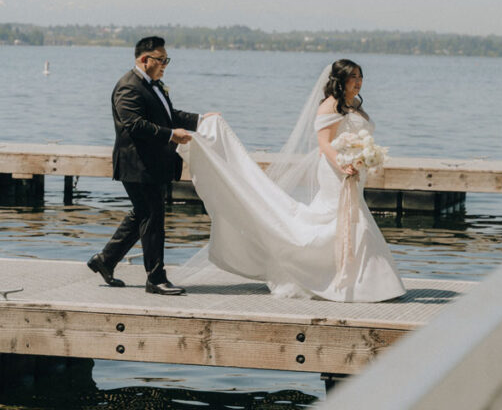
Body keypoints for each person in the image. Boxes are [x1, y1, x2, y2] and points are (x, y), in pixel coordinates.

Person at [179, 59, 405, 303]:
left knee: (347, 218)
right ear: (339, 80)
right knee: (344, 218)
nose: (358, 82)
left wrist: (364, 157)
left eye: (361, 77)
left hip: (353, 171)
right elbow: (324, 144)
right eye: (353, 77)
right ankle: (352, 282)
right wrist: (343, 164)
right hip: (336, 171)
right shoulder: (330, 106)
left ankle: (351, 278)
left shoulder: (355, 105)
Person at [87, 36, 213, 295]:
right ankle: (156, 278)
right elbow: (134, 124)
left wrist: (201, 120)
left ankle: (106, 260)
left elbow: (169, 114)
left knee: (142, 214)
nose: (165, 64)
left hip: (151, 165)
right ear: (145, 60)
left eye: (167, 59)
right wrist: (170, 135)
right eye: (161, 59)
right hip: (137, 165)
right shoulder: (128, 87)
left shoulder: (155, 85)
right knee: (153, 218)